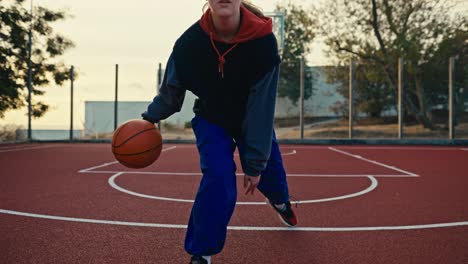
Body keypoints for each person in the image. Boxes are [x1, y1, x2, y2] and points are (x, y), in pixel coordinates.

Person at [142, 1, 297, 263]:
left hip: (251, 116)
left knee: (272, 175)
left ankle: (281, 202)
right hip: (211, 118)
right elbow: (171, 94)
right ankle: (201, 252)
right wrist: (149, 118)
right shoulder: (189, 44)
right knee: (218, 175)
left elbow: (261, 108)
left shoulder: (263, 43)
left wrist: (255, 163)